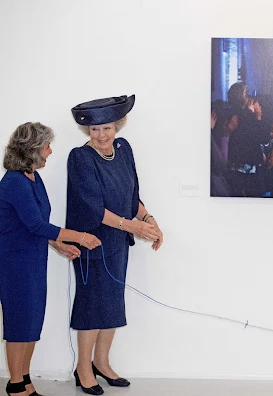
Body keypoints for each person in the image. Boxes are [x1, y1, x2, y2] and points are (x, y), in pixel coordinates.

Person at [67, 95, 164, 395]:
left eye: (107, 128)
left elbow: (132, 196)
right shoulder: (80, 158)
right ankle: (83, 368)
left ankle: (102, 363)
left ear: (117, 126)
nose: (102, 135)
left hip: (117, 244)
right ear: (88, 131)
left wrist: (149, 219)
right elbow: (92, 207)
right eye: (95, 130)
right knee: (91, 308)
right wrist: (132, 225)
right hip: (92, 244)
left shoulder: (123, 150)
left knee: (111, 305)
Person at [0, 122, 101, 396]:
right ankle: (15, 384)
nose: (50, 151)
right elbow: (34, 225)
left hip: (34, 259)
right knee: (19, 323)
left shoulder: (33, 177)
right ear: (32, 149)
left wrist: (59, 245)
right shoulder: (13, 182)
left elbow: (38, 224)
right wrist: (78, 236)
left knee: (32, 321)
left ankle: (25, 378)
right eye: (46, 146)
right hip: (14, 263)